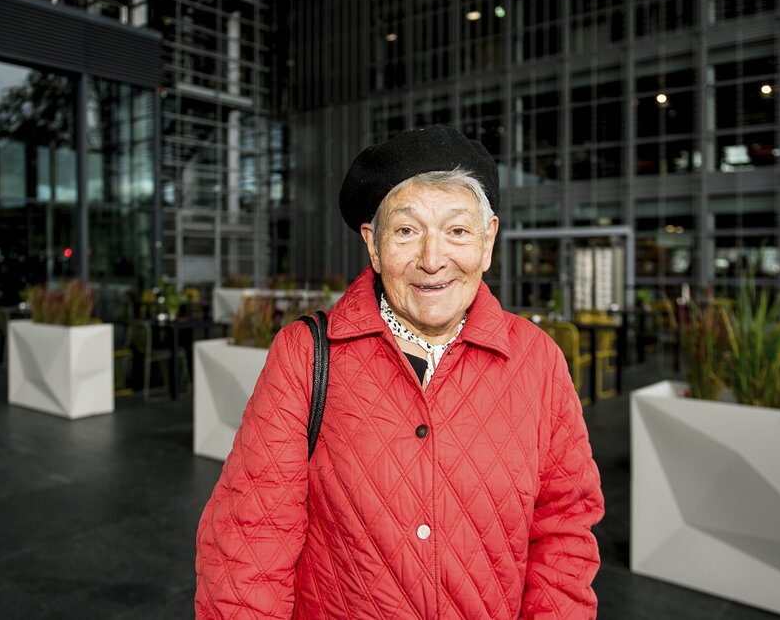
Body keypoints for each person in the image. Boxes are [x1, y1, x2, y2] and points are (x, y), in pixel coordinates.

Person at [195, 125, 604, 619]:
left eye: (457, 231)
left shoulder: (538, 359)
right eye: (407, 231)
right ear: (374, 244)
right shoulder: (305, 355)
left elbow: (565, 532)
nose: (433, 260)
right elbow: (250, 544)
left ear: (488, 239)